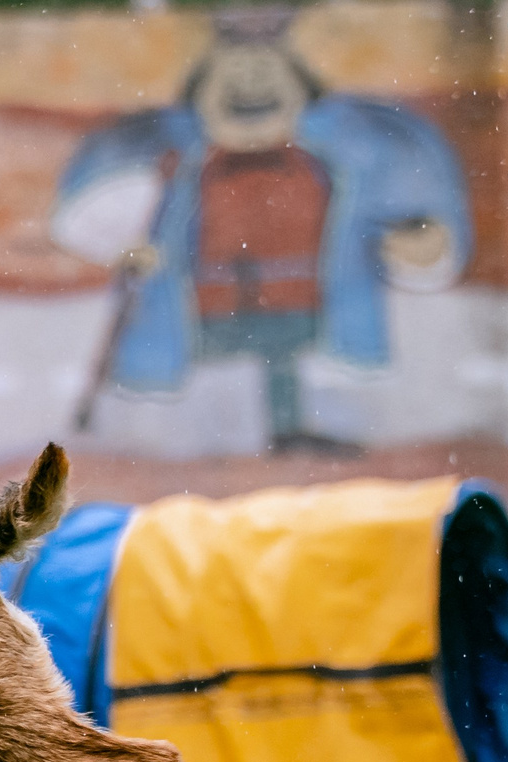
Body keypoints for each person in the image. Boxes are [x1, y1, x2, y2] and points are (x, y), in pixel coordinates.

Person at [52, 12, 470, 455]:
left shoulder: (337, 162)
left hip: (294, 291)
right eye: (232, 77)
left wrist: (418, 242)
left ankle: (285, 432)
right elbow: (114, 212)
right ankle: (211, 445)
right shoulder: (181, 165)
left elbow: (397, 215)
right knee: (213, 367)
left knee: (281, 362)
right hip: (211, 295)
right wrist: (132, 246)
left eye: (267, 74)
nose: (250, 87)